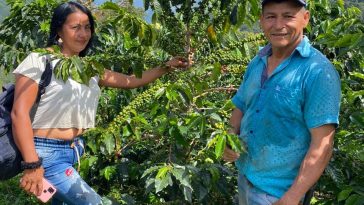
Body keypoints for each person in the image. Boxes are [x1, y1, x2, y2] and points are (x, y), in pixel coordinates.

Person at [11, 1, 188, 204]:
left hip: (74, 150)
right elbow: (19, 113)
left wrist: (167, 66)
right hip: (46, 153)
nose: (83, 34)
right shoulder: (39, 60)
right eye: (75, 27)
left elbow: (130, 80)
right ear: (59, 29)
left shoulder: (88, 67)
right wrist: (32, 164)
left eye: (87, 27)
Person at [223, 0, 341, 204]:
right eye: (271, 16)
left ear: (305, 19)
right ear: (261, 21)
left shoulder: (318, 72)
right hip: (245, 176)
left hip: (278, 193)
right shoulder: (257, 61)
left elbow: (322, 144)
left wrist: (291, 198)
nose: (278, 25)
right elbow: (241, 104)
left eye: (288, 16)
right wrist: (230, 136)